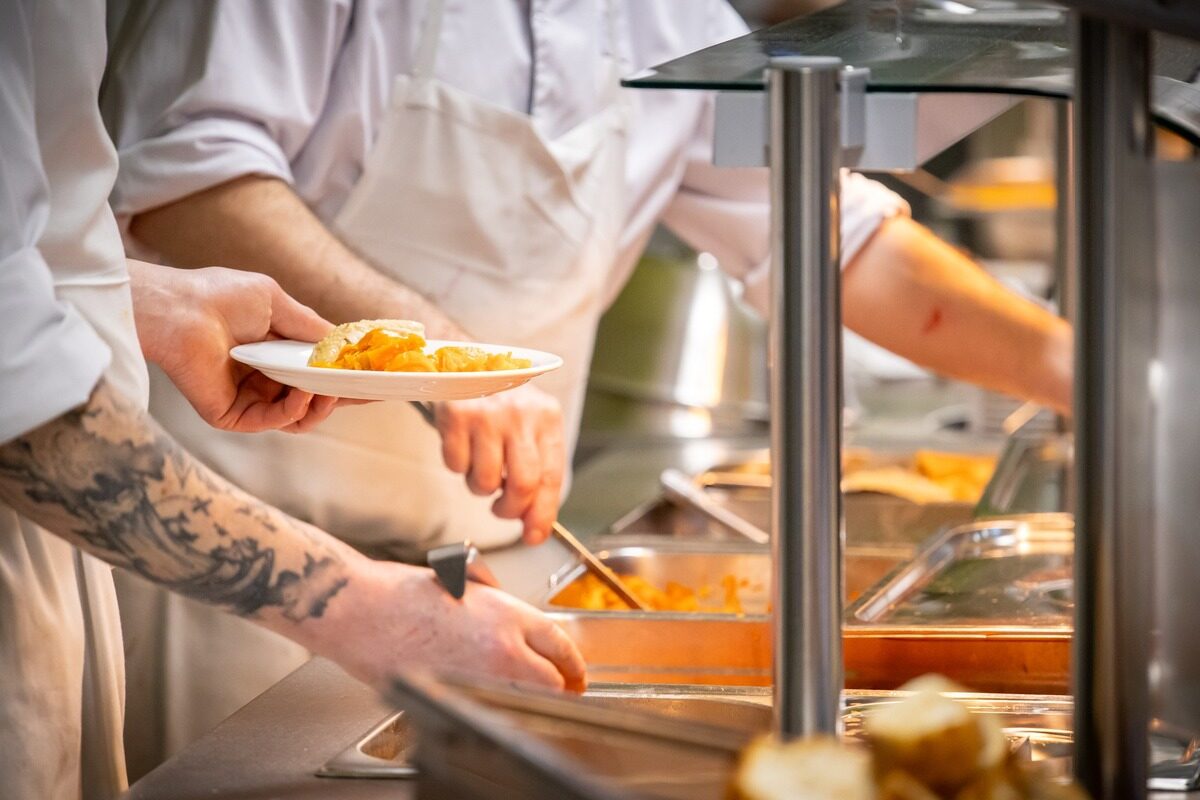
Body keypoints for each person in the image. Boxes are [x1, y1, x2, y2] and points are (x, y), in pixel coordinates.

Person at [102, 0, 1073, 761]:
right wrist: (441, 354)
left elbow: (835, 238)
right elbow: (189, 183)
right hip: (239, 574)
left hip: (489, 573)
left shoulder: (660, 16)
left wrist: (1086, 375)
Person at [0, 2, 585, 797]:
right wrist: (363, 606)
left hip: (70, 567)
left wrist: (139, 298)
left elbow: (27, 253)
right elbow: (21, 404)